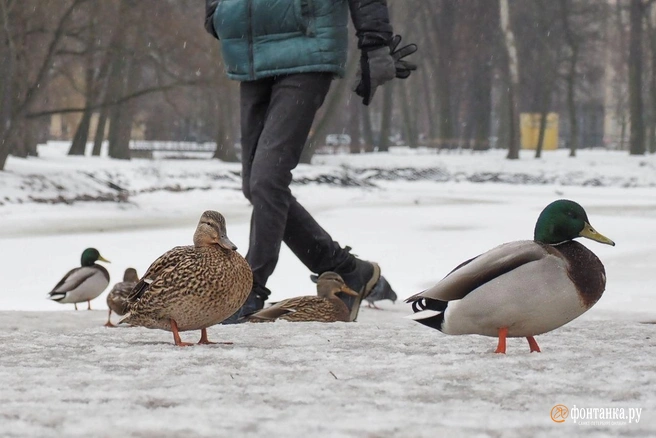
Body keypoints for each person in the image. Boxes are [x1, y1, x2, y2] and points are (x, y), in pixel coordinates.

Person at [204, 0, 416, 323]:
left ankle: (249, 288)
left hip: (307, 45)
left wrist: (374, 42)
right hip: (250, 50)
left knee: (267, 179)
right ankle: (348, 270)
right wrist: (218, 10)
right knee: (257, 186)